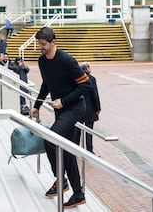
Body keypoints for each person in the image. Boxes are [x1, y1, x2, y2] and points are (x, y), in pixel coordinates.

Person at [30, 27, 92, 209]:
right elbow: (46, 84)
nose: (40, 47)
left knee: (51, 138)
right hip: (61, 110)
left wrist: (63, 101)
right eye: (39, 44)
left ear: (53, 42)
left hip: (75, 108)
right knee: (67, 151)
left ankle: (61, 179)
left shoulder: (67, 60)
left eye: (43, 44)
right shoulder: (43, 61)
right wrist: (36, 105)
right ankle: (78, 193)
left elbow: (86, 85)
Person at [80, 62, 101, 154]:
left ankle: (76, 148)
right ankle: (89, 150)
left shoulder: (78, 78)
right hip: (90, 108)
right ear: (87, 69)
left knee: (77, 130)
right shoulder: (91, 79)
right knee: (89, 130)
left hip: (79, 108)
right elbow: (95, 94)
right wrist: (98, 108)